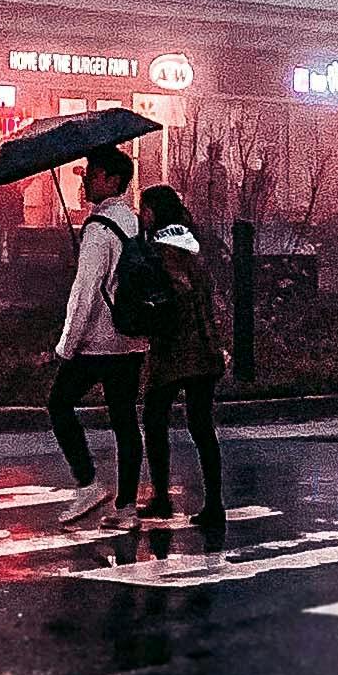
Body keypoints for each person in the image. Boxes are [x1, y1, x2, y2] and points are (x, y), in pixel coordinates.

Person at [47, 146, 147, 529]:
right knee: (124, 420)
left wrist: (67, 345)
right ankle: (126, 508)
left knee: (59, 403)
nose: (86, 179)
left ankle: (87, 482)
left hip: (99, 341)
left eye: (93, 173)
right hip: (133, 338)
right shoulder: (135, 223)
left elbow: (86, 290)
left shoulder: (99, 231)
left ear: (113, 181)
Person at [135, 182, 226, 532]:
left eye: (145, 209)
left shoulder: (161, 248)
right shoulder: (191, 241)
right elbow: (203, 287)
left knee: (155, 418)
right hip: (205, 346)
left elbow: (175, 291)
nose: (142, 215)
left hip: (175, 347)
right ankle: (213, 502)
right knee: (202, 427)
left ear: (154, 212)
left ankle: (161, 497)